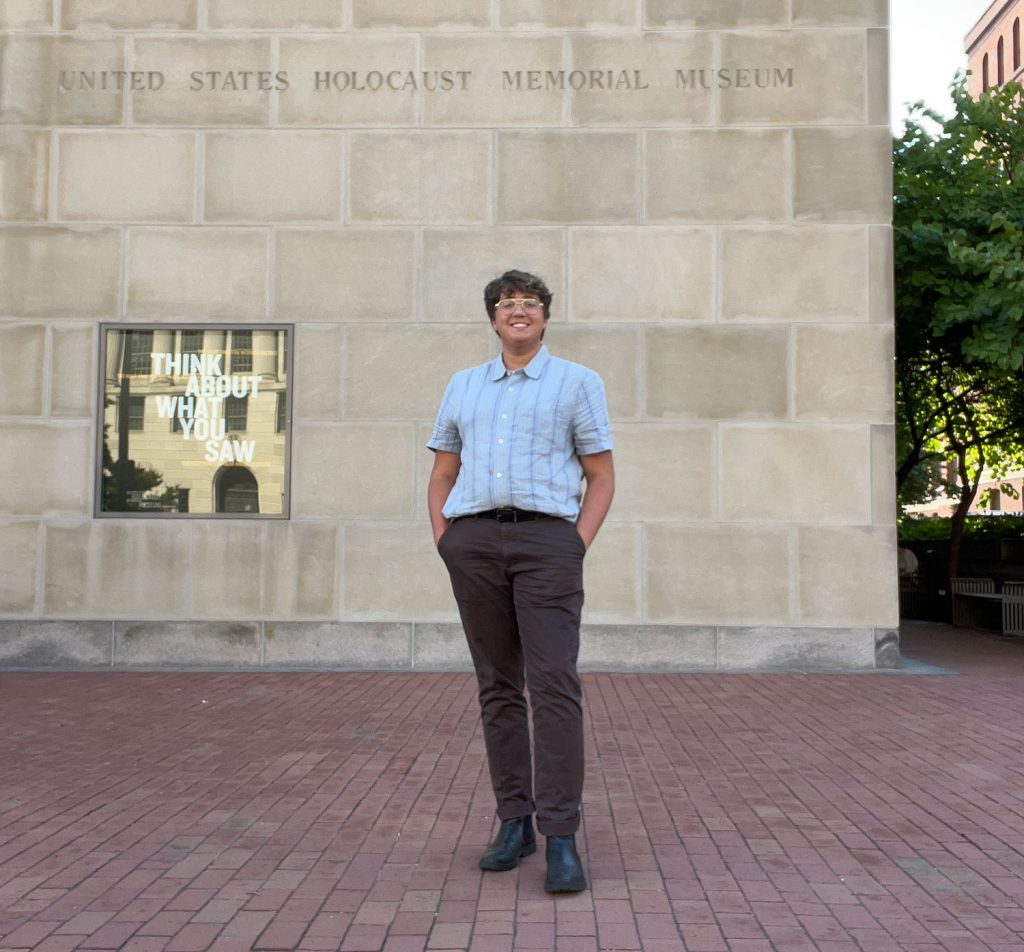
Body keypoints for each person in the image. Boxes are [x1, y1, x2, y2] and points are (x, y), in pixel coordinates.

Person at [427, 269, 614, 893]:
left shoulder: (577, 383)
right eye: (508, 304)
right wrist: (447, 538)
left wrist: (573, 544)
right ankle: (515, 822)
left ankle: (561, 835)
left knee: (555, 687)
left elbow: (601, 475)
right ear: (493, 317)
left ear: (545, 317)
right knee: (497, 687)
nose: (519, 312)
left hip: (547, 545)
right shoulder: (462, 387)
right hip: (475, 543)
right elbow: (442, 474)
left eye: (530, 304)